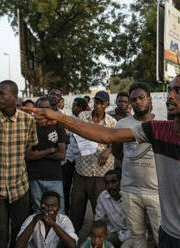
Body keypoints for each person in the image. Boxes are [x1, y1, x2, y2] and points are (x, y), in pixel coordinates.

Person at [22, 74, 180, 248]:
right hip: (169, 234)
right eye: (169, 89)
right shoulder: (157, 130)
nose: (170, 95)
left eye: (177, 90)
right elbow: (107, 135)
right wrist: (58, 118)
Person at [0, 80, 38, 248]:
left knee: (19, 230)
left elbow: (29, 149)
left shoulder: (28, 121)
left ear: (14, 97)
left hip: (19, 187)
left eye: (2, 94)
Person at [114, 83, 161, 247]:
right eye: (133, 100)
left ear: (149, 99)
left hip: (157, 191)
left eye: (141, 98)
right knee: (137, 236)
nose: (138, 102)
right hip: (130, 190)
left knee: (161, 235)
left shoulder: (162, 124)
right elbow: (117, 152)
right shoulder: (121, 125)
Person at [69, 91, 116, 234]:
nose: (98, 105)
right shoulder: (83, 116)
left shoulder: (112, 122)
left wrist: (109, 150)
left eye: (102, 103)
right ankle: (72, 237)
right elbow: (75, 135)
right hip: (82, 171)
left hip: (101, 174)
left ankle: (98, 239)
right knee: (76, 209)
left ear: (107, 105)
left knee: (99, 210)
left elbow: (118, 141)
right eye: (96, 102)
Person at [27, 97, 68, 214]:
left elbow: (61, 155)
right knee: (39, 211)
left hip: (54, 176)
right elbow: (29, 156)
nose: (43, 111)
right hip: (35, 176)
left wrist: (38, 153)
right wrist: (49, 150)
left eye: (46, 108)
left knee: (58, 211)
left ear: (52, 109)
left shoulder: (58, 127)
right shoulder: (31, 127)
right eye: (40, 108)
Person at [63, 97, 88, 213]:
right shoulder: (69, 120)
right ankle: (66, 210)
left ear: (81, 108)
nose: (72, 108)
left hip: (82, 159)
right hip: (69, 158)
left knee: (78, 189)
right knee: (66, 186)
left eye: (75, 105)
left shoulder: (86, 120)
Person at [95, 169, 132, 247]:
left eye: (113, 182)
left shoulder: (130, 197)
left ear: (121, 182)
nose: (110, 186)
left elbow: (136, 229)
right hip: (114, 232)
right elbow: (98, 220)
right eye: (107, 183)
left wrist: (118, 239)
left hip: (132, 235)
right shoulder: (103, 197)